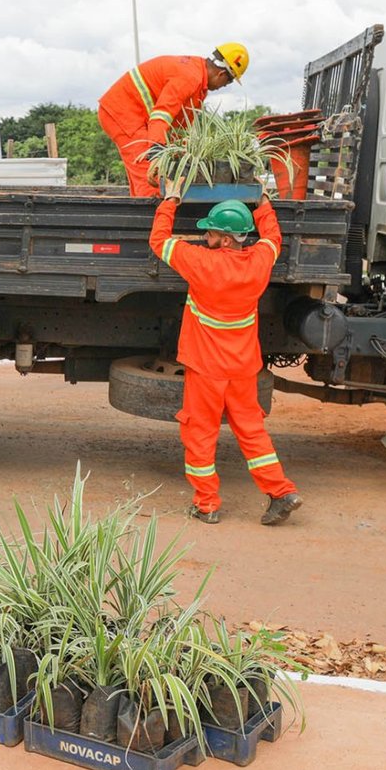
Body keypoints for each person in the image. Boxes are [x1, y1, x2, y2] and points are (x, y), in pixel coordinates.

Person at [149, 192, 303, 526]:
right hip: (243, 367)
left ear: (226, 239)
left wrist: (170, 202)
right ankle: (281, 492)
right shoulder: (260, 261)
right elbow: (273, 238)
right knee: (251, 431)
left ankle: (207, 505)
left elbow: (159, 240)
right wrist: (263, 205)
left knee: (200, 433)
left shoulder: (201, 262)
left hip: (206, 368)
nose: (205, 237)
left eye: (211, 233)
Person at [99, 44, 249, 196]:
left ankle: (142, 212)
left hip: (131, 114)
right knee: (150, 175)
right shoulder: (190, 77)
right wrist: (157, 154)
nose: (224, 86)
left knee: (147, 175)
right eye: (229, 82)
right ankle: (150, 215)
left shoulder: (199, 84)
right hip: (122, 111)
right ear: (222, 74)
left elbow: (179, 127)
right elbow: (161, 115)